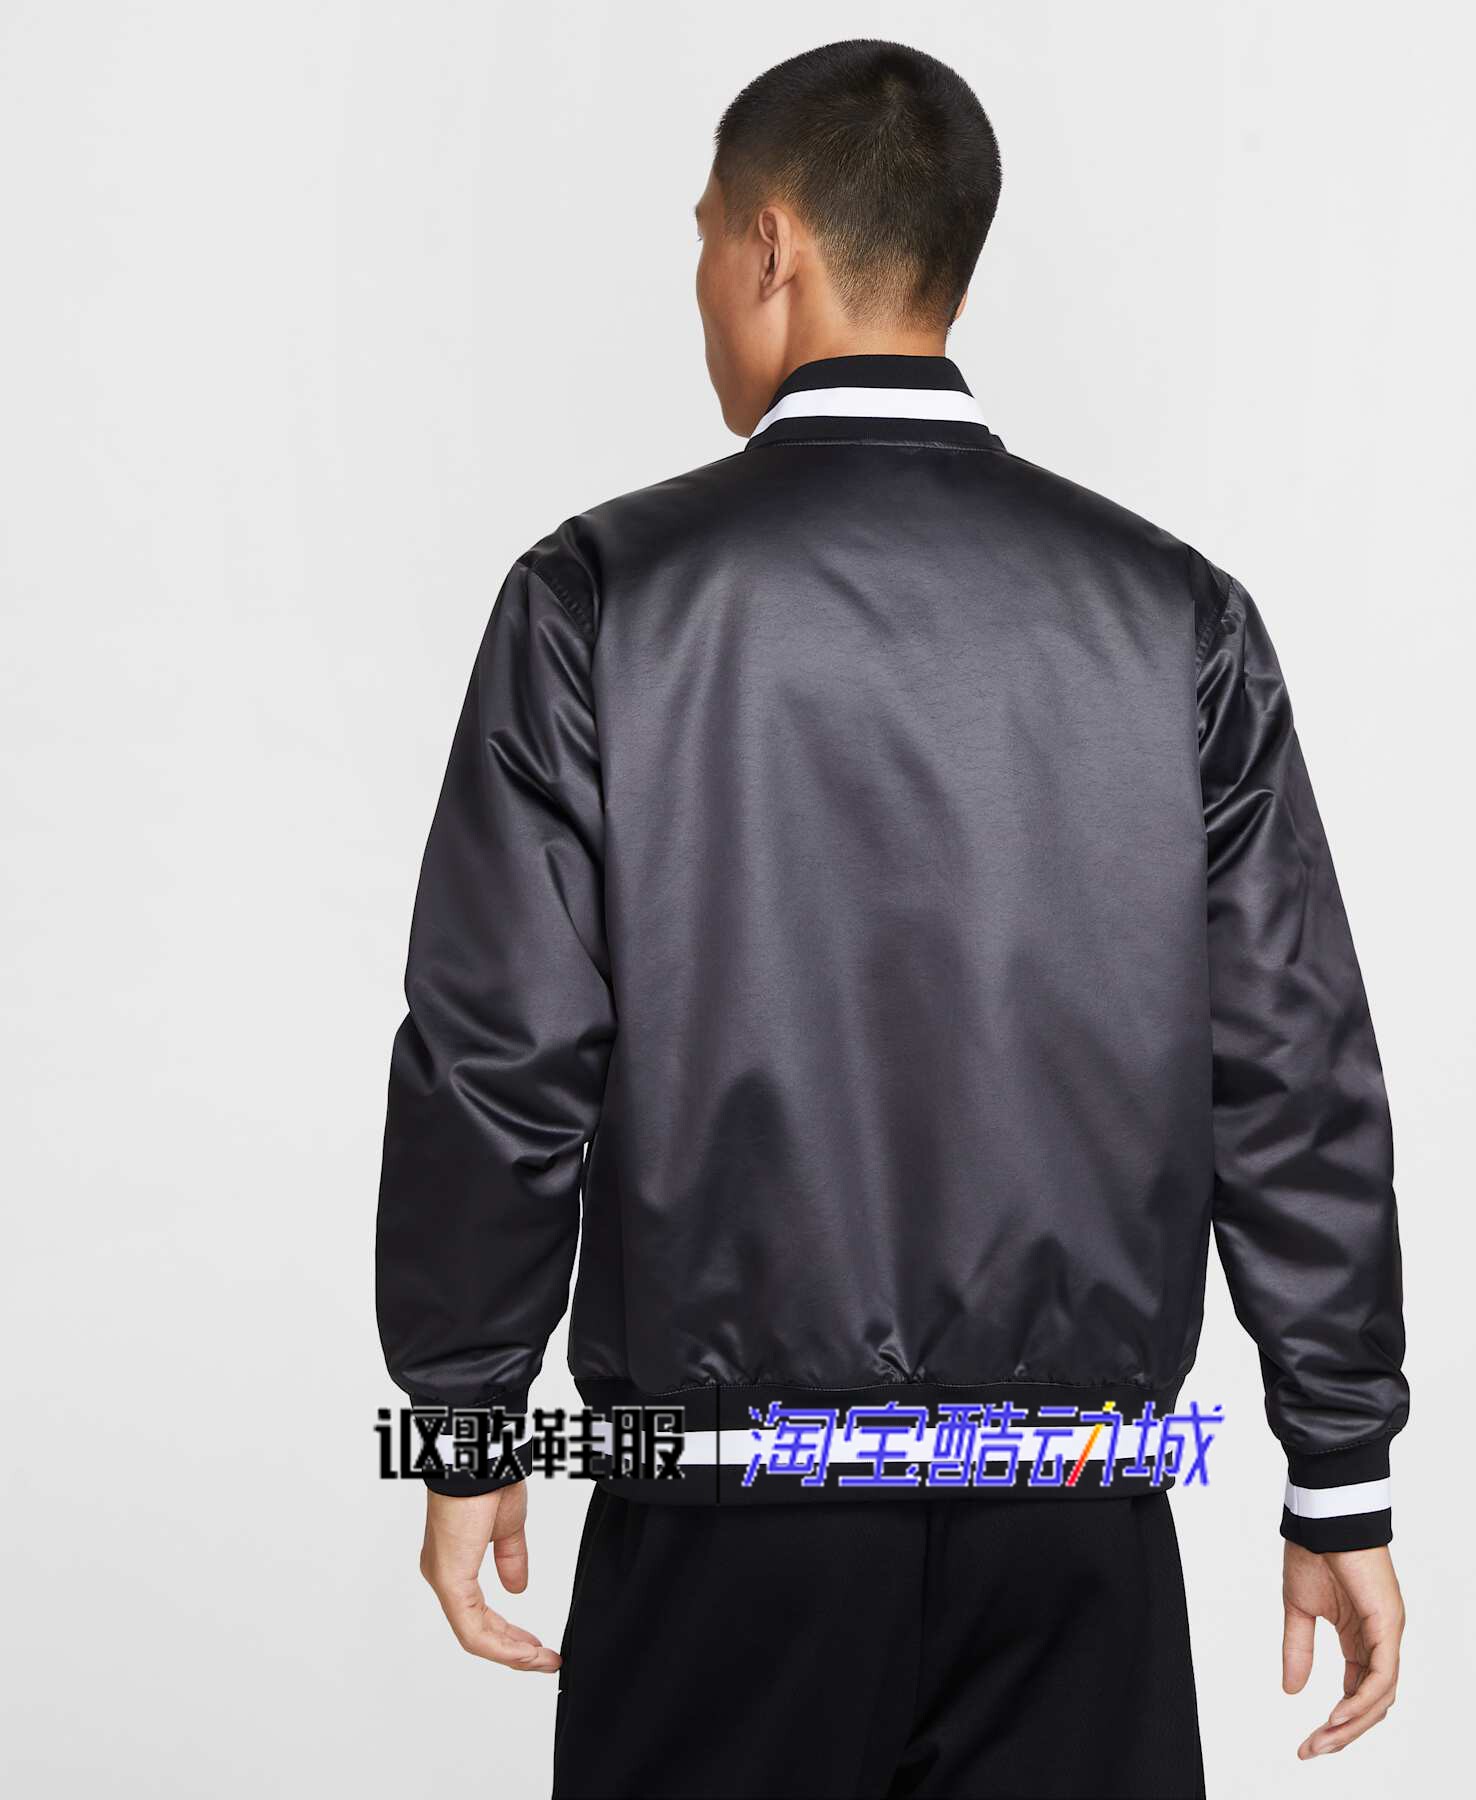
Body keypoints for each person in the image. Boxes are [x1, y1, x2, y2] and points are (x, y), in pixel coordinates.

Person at [376, 38, 1407, 1799]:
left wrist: (467, 1421)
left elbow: (502, 1053)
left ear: (770, 244)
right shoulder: (1173, 616)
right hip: (1071, 1518)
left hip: (720, 1518)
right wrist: (1340, 1470)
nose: (701, 284)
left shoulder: (599, 600)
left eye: (704, 236)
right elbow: (1290, 1061)